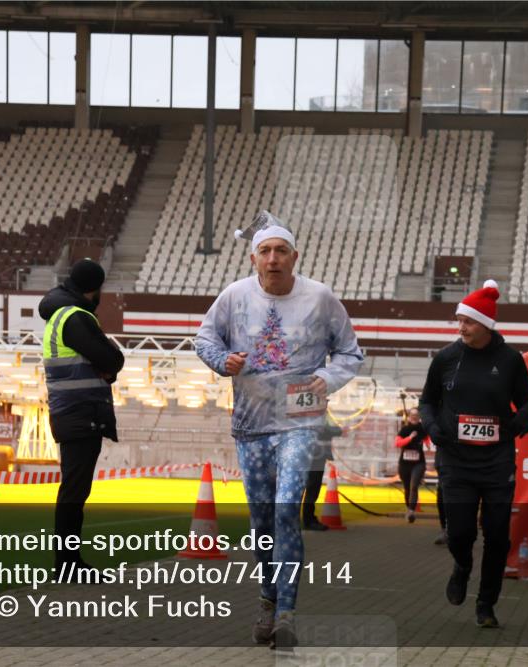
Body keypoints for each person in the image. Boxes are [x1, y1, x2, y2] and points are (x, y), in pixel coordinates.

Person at [195, 212, 363, 648]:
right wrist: (222, 361)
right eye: (265, 251)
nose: (273, 259)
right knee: (262, 521)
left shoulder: (320, 298)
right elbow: (204, 339)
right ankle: (268, 598)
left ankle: (287, 610)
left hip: (299, 419)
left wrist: (325, 381)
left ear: (295, 256)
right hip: (251, 424)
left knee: (288, 508)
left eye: (281, 251)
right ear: (254, 258)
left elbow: (350, 352)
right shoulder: (234, 296)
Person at [418, 279, 528, 629]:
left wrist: (521, 422)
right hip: (455, 460)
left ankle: (486, 604)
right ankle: (462, 565)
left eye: (467, 321)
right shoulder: (445, 359)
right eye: (459, 320)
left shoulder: (511, 360)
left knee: (498, 535)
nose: (461, 327)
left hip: (497, 460)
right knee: (459, 532)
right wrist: (431, 425)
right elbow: (427, 401)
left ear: (486, 324)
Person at [39, 259, 125, 578]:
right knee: (75, 491)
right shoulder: (77, 317)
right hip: (80, 412)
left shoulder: (60, 315)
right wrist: (109, 366)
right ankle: (68, 564)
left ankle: (68, 562)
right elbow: (111, 359)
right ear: (94, 288)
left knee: (74, 489)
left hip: (71, 411)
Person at [301, 416, 344, 531]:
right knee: (312, 488)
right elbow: (325, 429)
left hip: (308, 454)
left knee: (307, 488)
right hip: (315, 455)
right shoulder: (317, 416)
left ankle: (301, 519)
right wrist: (340, 430)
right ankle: (308, 520)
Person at [395, 407, 428, 523]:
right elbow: (398, 443)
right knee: (407, 488)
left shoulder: (423, 429)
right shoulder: (404, 430)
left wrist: (428, 443)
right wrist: (410, 438)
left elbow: (429, 440)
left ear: (419, 418)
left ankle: (411, 511)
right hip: (404, 464)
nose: (414, 417)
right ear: (409, 417)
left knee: (413, 486)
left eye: (416, 415)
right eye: (412, 415)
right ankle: (409, 509)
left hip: (418, 463)